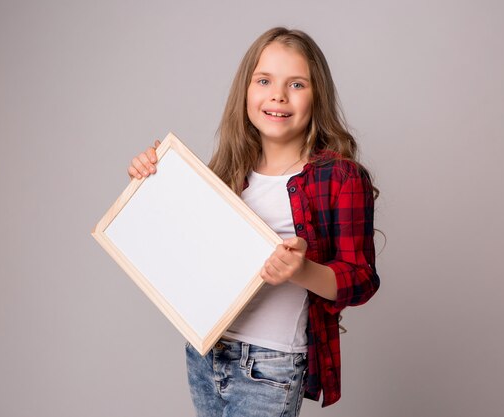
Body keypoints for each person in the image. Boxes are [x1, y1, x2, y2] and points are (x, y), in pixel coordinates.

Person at [127, 27, 380, 417]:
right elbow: (183, 248)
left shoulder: (340, 178)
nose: (278, 95)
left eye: (296, 84)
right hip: (207, 351)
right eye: (264, 81)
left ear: (318, 97)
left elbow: (361, 278)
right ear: (246, 91)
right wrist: (152, 181)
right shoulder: (228, 173)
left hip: (270, 363)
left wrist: (302, 269)